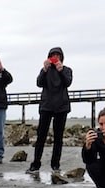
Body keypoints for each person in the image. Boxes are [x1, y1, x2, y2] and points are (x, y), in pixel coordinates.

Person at [26, 47, 72, 175]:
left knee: (58, 138)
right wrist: (45, 70)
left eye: (58, 55)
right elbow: (39, 83)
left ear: (61, 57)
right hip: (46, 106)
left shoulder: (67, 70)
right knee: (41, 137)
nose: (55, 58)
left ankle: (55, 165)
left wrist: (61, 70)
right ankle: (35, 164)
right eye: (53, 55)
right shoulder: (45, 70)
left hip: (61, 107)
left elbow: (68, 82)